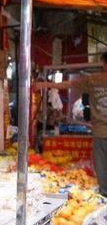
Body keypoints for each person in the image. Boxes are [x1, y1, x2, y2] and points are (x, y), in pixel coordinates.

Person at [34, 52, 107, 196]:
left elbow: (68, 84)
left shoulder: (94, 80)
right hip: (100, 133)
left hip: (101, 134)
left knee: (103, 174)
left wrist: (44, 84)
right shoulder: (93, 80)